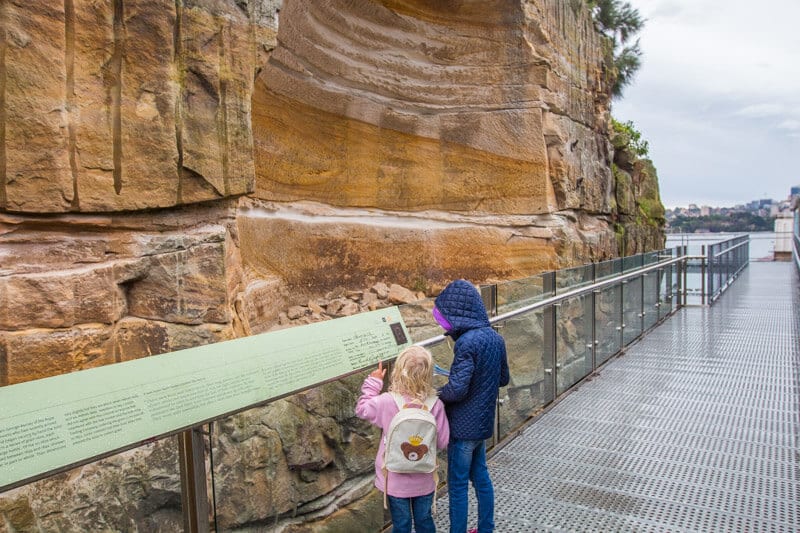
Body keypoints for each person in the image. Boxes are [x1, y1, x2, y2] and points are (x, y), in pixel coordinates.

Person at [433, 279, 510, 533]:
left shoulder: (466, 343)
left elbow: (457, 389)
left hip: (463, 428)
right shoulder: (495, 338)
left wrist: (436, 394)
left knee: (457, 485)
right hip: (483, 424)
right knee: (481, 479)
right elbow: (503, 378)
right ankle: (486, 528)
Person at [355, 345, 450, 533]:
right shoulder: (435, 404)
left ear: (398, 371)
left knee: (402, 523)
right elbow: (443, 441)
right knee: (424, 520)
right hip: (424, 477)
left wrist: (374, 383)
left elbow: (362, 409)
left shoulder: (386, 401)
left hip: (394, 478)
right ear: (429, 373)